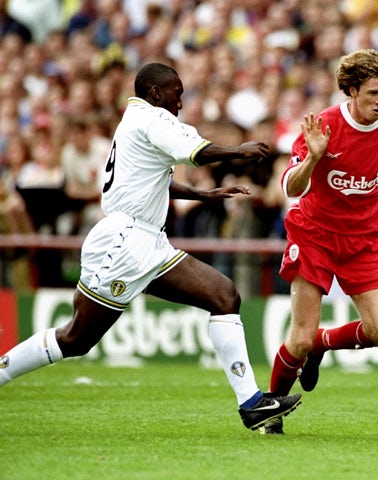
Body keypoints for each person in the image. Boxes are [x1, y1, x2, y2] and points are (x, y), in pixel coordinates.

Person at [0, 62, 301, 431]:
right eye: (177, 93)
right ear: (155, 92)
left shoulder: (134, 122)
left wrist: (201, 194)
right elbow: (199, 151)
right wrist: (239, 150)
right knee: (77, 337)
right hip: (125, 241)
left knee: (223, 296)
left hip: (148, 241)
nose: (180, 101)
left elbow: (151, 179)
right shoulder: (151, 119)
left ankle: (252, 404)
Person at [264, 49, 378, 434]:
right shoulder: (322, 126)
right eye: (372, 93)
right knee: (299, 339)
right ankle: (270, 411)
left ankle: (323, 344)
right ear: (351, 90)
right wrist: (313, 159)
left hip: (364, 237)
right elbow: (291, 187)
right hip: (315, 236)